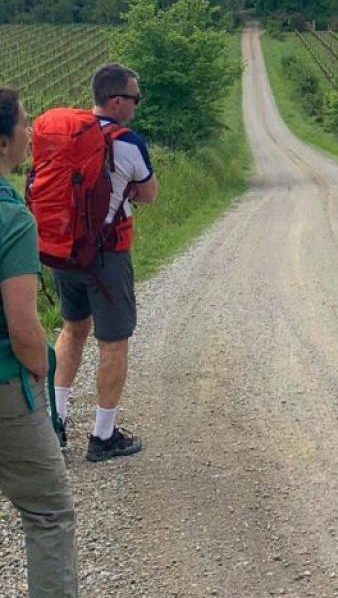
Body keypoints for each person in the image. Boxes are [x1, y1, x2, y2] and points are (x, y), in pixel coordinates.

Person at [53, 63, 158, 462]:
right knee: (113, 342)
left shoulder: (67, 134)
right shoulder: (127, 142)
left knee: (72, 329)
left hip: (63, 250)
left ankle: (56, 422)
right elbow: (149, 195)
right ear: (116, 101)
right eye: (134, 98)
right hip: (107, 256)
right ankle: (103, 435)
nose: (137, 104)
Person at [0, 87, 78, 597]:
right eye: (24, 123)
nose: (30, 132)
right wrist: (39, 369)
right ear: (2, 141)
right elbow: (24, 329)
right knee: (48, 512)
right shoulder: (12, 219)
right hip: (6, 386)